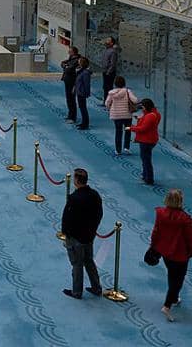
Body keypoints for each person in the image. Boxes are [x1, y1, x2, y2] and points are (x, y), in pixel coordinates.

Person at [150, 189, 192, 321]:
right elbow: (190, 239)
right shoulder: (185, 219)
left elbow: (156, 232)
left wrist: (153, 246)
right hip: (180, 254)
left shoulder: (160, 213)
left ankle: (173, 298)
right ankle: (167, 305)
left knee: (171, 274)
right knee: (178, 280)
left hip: (165, 251)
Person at [60, 168, 104, 299]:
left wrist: (66, 233)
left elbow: (68, 218)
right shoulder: (95, 195)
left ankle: (76, 291)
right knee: (89, 261)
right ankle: (96, 287)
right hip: (89, 235)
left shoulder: (74, 198)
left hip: (75, 237)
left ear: (77, 181)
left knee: (77, 264)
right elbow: (99, 214)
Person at [104, 77, 139, 155]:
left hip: (116, 116)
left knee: (118, 131)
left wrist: (110, 108)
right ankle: (126, 147)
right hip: (127, 116)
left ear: (115, 84)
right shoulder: (127, 91)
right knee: (127, 131)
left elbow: (107, 103)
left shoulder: (111, 93)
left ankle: (118, 150)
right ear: (124, 83)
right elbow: (135, 100)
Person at [130, 98, 161, 185]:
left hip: (146, 140)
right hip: (151, 139)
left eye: (142, 107)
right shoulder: (155, 114)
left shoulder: (149, 116)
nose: (142, 109)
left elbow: (143, 128)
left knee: (146, 159)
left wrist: (131, 128)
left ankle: (148, 178)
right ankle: (146, 175)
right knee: (146, 158)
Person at [74, 57, 92, 130]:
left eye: (79, 62)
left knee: (83, 108)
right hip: (79, 91)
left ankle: (85, 123)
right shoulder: (81, 71)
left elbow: (87, 84)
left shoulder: (85, 73)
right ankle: (83, 122)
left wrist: (87, 93)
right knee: (81, 107)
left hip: (82, 92)